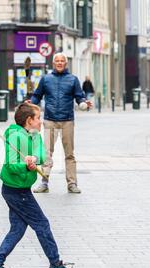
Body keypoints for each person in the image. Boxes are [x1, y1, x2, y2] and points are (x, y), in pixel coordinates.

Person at [0, 102, 78, 268]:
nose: (41, 121)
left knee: (18, 229)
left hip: (22, 189)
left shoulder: (35, 136)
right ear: (29, 120)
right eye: (38, 118)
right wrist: (26, 166)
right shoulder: (14, 137)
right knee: (42, 224)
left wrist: (34, 158)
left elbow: (43, 155)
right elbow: (11, 166)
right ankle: (56, 265)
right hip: (15, 191)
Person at [30, 52, 92, 194]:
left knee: (69, 154)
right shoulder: (46, 79)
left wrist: (84, 103)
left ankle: (72, 183)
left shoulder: (73, 79)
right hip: (49, 120)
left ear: (65, 63)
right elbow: (37, 95)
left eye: (62, 61)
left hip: (67, 121)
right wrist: (30, 104)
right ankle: (44, 182)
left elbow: (79, 97)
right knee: (46, 154)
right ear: (53, 63)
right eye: (57, 61)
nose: (59, 63)